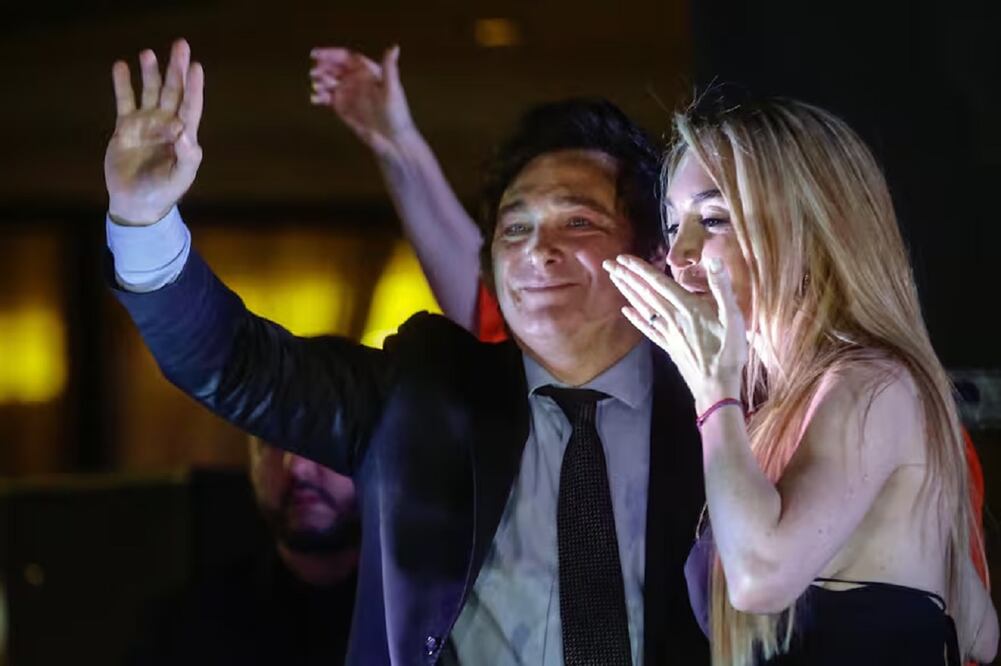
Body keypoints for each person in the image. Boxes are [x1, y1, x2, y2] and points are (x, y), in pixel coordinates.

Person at [103, 38, 709, 665]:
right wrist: (144, 220)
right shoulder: (426, 391)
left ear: (653, 254)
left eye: (577, 222)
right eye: (515, 227)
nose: (536, 251)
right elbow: (234, 365)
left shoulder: (721, 405)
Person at [604, 96, 999, 664]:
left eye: (713, 220)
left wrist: (713, 390)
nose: (681, 252)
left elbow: (760, 579)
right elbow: (979, 629)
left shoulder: (873, 382)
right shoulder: (794, 406)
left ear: (811, 228)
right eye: (674, 224)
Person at [129, 436, 359, 665]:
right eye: (272, 440)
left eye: (326, 438)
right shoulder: (183, 630)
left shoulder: (393, 628)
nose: (298, 466)